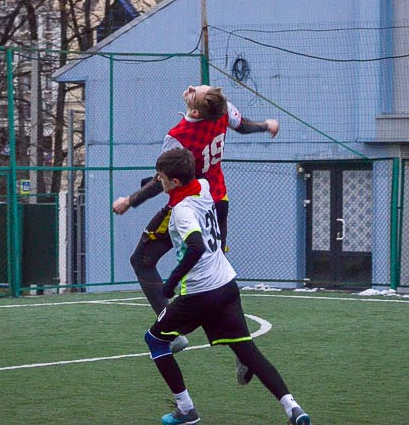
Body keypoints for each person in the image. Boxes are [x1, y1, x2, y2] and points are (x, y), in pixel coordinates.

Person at [144, 148, 311, 425]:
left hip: (199, 293)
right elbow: (219, 199)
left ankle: (186, 410)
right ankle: (293, 408)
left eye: (160, 177)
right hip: (226, 284)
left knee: (155, 341)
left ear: (175, 181)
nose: (157, 180)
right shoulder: (205, 187)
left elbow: (195, 246)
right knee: (247, 351)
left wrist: (171, 282)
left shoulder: (183, 211)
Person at [112, 85, 278, 365]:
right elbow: (243, 125)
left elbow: (161, 180)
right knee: (216, 277)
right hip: (218, 202)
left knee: (142, 260)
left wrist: (130, 200)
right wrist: (266, 125)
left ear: (196, 110)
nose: (191, 88)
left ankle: (170, 331)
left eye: (196, 92)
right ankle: (243, 348)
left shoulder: (178, 136)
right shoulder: (222, 111)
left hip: (191, 204)